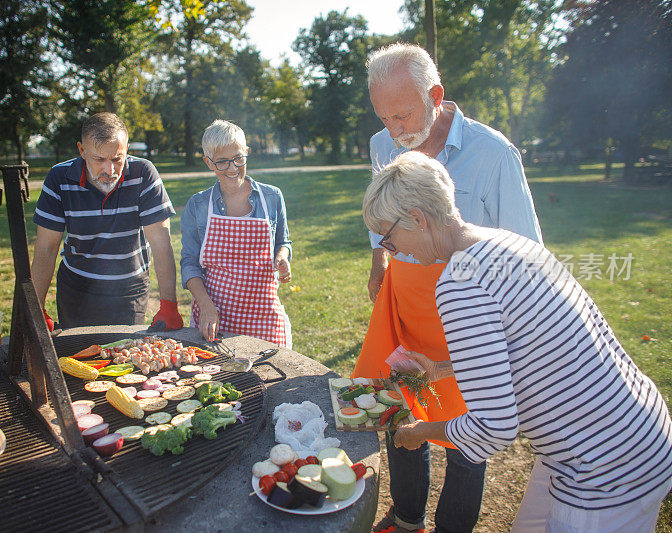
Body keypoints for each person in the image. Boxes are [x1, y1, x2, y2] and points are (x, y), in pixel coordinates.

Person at [363, 150, 672, 533]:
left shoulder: (460, 285)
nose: (394, 252)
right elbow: (525, 350)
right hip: (634, 427)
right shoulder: (506, 243)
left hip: (604, 468)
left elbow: (493, 428)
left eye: (389, 240)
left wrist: (417, 432)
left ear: (417, 219)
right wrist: (439, 369)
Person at [353, 43, 543, 533]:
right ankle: (408, 515)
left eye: (402, 115)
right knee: (400, 407)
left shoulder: (494, 154)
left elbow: (525, 254)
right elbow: (383, 212)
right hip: (405, 302)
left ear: (435, 95)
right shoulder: (382, 143)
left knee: (468, 429)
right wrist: (380, 255)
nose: (394, 132)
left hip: (470, 309)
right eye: (384, 118)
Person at [31, 112, 183, 330]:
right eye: (99, 159)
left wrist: (169, 305)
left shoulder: (144, 173)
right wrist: (36, 308)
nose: (109, 170)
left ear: (127, 149)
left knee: (125, 355)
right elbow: (46, 246)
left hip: (130, 287)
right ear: (82, 151)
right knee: (77, 354)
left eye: (116, 159)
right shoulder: (59, 177)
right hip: (77, 286)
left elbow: (161, 242)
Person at [180, 119, 293, 347]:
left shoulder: (272, 197)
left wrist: (282, 257)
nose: (232, 168)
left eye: (239, 159)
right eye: (222, 162)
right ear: (208, 162)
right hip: (216, 314)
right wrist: (205, 305)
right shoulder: (198, 205)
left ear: (247, 152)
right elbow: (189, 263)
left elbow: (283, 241)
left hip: (264, 315)